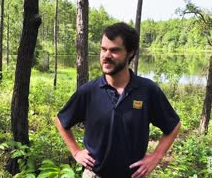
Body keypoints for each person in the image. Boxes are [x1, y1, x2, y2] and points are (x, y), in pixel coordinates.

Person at [55, 22, 181, 178]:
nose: (106, 56)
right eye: (103, 49)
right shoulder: (89, 91)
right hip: (94, 175)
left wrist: (156, 156)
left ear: (130, 53)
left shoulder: (147, 90)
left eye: (114, 50)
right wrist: (76, 151)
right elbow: (61, 121)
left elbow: (173, 124)